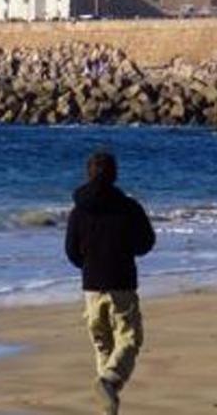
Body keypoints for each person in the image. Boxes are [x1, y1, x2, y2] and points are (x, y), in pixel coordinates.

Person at [65, 150, 155, 414]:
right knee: (128, 340)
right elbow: (146, 242)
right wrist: (126, 250)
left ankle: (109, 406)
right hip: (121, 283)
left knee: (102, 344)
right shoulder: (128, 207)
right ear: (115, 175)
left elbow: (71, 251)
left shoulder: (78, 210)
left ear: (88, 174)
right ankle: (110, 381)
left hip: (91, 287)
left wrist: (90, 264)